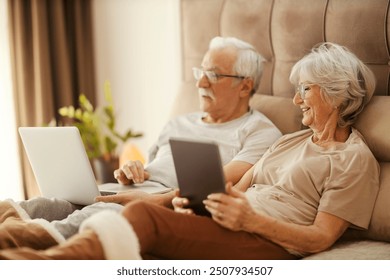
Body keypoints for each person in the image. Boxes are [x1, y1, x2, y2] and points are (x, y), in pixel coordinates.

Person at [0, 42, 380, 260]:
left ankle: (34, 263)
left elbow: (320, 238)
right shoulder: (289, 140)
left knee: (143, 219)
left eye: (307, 89)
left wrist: (249, 221)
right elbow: (235, 189)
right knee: (113, 206)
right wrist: (197, 202)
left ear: (336, 92)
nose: (296, 99)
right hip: (233, 222)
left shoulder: (353, 159)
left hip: (268, 241)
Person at [0, 36, 282, 250]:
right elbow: (151, 169)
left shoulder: (260, 132)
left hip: (162, 203)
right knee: (47, 204)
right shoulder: (178, 122)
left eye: (214, 75)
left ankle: (19, 241)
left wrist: (151, 199)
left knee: (97, 214)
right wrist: (135, 170)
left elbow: (216, 186)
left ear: (245, 85)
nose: (200, 84)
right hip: (126, 190)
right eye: (200, 73)